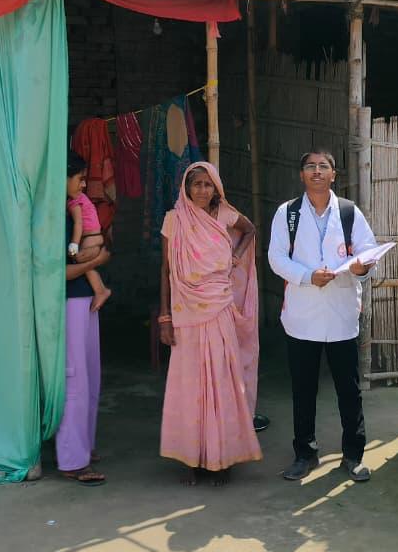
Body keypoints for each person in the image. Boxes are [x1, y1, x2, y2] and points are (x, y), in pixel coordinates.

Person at [267, 150, 379, 483]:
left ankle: (353, 455)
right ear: (301, 174)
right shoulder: (287, 214)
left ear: (334, 175)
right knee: (303, 389)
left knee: (349, 389)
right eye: (310, 167)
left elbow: (367, 250)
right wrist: (306, 276)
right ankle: (305, 453)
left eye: (323, 166)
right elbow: (275, 257)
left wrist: (362, 267)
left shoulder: (348, 212)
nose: (317, 171)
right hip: (302, 317)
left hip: (342, 315)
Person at [158, 161, 263, 485]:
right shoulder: (174, 221)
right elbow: (165, 271)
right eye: (197, 184)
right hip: (185, 312)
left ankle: (223, 458)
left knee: (221, 382)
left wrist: (236, 257)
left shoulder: (227, 216)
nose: (202, 190)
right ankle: (193, 459)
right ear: (186, 188)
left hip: (219, 309)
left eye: (208, 185)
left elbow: (250, 229)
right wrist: (165, 318)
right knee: (191, 387)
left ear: (216, 188)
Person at [53, 160, 113, 486]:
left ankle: (84, 448)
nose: (81, 184)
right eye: (77, 178)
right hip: (70, 302)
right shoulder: (58, 218)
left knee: (90, 375)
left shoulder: (71, 211)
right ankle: (72, 460)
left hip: (84, 301)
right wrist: (101, 259)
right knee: (76, 380)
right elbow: (59, 273)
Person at [68, 155, 112, 312]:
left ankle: (100, 290)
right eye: (80, 179)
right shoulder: (82, 198)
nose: (84, 184)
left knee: (79, 261)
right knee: (86, 265)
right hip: (95, 236)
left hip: (89, 237)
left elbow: (78, 225)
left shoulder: (74, 201)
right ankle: (101, 289)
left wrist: (73, 245)